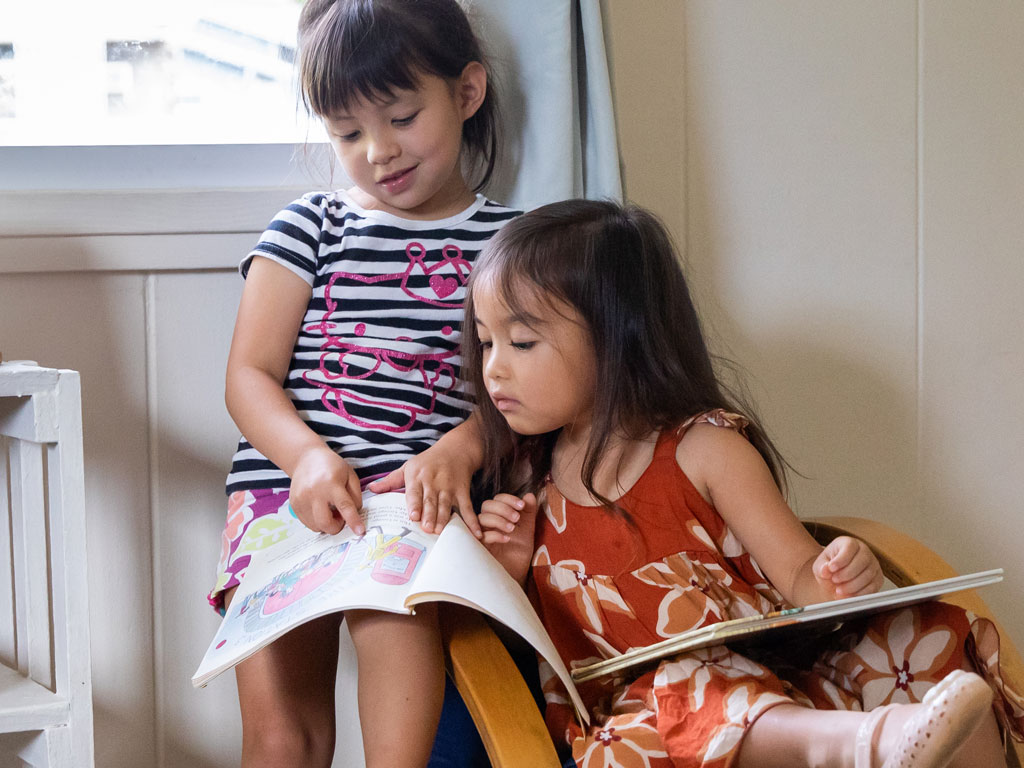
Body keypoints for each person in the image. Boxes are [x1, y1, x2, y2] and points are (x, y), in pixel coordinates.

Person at [464, 198, 1024, 768]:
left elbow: (801, 574)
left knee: (923, 634)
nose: (493, 369)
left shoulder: (704, 450)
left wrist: (840, 574)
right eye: (486, 342)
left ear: (616, 339)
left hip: (784, 692)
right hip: (645, 733)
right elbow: (534, 660)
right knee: (688, 681)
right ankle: (869, 745)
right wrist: (508, 575)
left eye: (522, 343)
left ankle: (901, 744)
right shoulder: (525, 478)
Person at [206, 1, 520, 766]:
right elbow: (248, 375)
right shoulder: (309, 226)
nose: (378, 150)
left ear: (467, 93)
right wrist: (306, 459)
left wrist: (464, 448)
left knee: (401, 728)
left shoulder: (513, 243)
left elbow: (524, 393)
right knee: (286, 734)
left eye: (402, 117)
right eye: (348, 133)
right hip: (288, 491)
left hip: (414, 498)